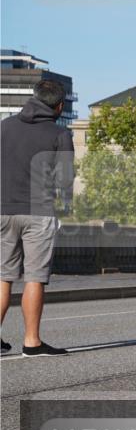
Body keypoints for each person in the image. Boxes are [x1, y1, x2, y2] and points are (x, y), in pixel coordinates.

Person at [0, 80, 73, 357]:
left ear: (33, 98)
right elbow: (65, 179)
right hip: (39, 213)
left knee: (3, 277)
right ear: (60, 105)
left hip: (2, 210)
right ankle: (31, 341)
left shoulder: (4, 127)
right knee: (34, 277)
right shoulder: (59, 133)